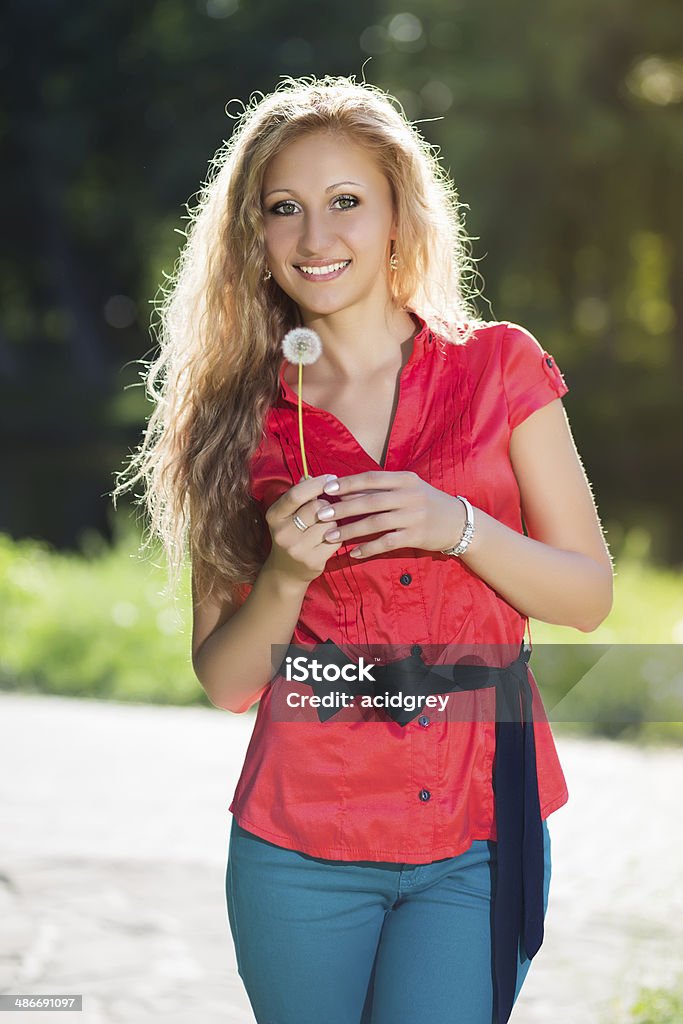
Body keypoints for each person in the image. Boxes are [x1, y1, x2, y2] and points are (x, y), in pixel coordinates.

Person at [113, 75, 613, 1024]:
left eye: (346, 202)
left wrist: (456, 527)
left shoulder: (498, 367)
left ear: (397, 218)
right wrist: (286, 578)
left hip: (475, 835)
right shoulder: (233, 420)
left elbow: (587, 595)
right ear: (251, 237)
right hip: (301, 847)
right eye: (284, 210)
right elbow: (226, 681)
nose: (315, 237)